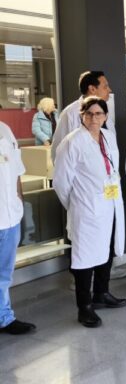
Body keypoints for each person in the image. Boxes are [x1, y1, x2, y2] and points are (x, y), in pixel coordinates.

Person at [53, 97, 126, 328]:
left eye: (98, 114)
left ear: (105, 117)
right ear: (82, 115)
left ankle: (101, 294)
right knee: (84, 259)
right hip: (85, 208)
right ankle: (84, 307)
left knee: (106, 250)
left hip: (109, 205)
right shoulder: (72, 142)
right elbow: (61, 182)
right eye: (89, 113)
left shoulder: (108, 136)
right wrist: (76, 204)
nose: (94, 118)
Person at [0, 121, 36, 335]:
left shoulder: (5, 129)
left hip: (10, 216)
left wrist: (19, 201)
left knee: (4, 273)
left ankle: (4, 317)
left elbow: (17, 170)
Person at [52, 71, 115, 163]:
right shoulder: (70, 113)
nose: (109, 90)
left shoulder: (105, 110)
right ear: (92, 89)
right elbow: (59, 150)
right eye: (105, 87)